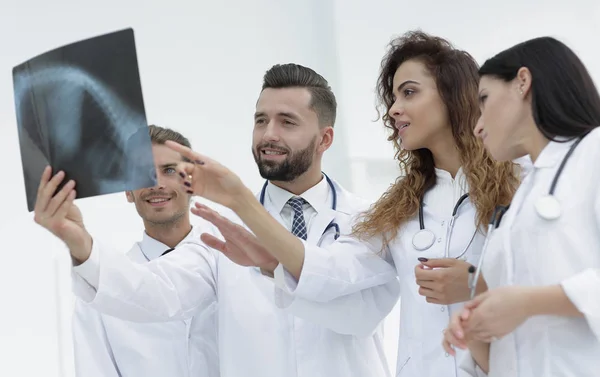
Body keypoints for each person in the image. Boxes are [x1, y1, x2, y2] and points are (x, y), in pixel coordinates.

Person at [162, 31, 523, 377]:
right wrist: (261, 241)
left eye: (409, 93)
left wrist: (478, 284)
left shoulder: (521, 183)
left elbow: (557, 275)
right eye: (393, 98)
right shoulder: (398, 207)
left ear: (452, 96)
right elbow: (333, 268)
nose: (394, 109)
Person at [36, 64, 400, 377]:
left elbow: (359, 314)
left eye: (287, 121)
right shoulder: (220, 233)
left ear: (324, 139)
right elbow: (156, 292)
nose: (269, 134)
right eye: (261, 120)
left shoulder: (369, 221)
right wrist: (80, 242)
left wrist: (265, 250)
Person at [442, 36, 600, 376]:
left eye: (484, 100)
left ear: (522, 83)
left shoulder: (594, 153)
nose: (478, 126)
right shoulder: (523, 196)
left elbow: (526, 307)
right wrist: (476, 332)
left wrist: (527, 303)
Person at [65, 125, 218, 377]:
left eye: (169, 170)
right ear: (127, 190)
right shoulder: (97, 290)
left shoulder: (233, 266)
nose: (156, 184)